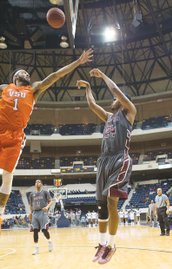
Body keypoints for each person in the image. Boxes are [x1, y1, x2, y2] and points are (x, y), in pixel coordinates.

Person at [0, 48, 93, 219]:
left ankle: (0, 211)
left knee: (7, 174)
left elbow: (56, 75)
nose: (26, 73)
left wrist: (78, 62)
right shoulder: (5, 88)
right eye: (23, 72)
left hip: (15, 135)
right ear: (15, 77)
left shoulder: (34, 89)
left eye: (27, 73)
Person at [76, 68, 136, 264]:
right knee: (102, 205)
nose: (116, 98)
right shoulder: (109, 117)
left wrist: (102, 75)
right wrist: (88, 87)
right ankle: (102, 244)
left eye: (119, 96)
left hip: (120, 159)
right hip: (104, 160)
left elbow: (116, 90)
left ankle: (111, 244)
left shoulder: (129, 112)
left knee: (111, 201)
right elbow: (92, 105)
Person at [29, 179, 53, 255]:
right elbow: (31, 205)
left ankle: (49, 242)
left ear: (41, 184)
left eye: (39, 182)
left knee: (44, 230)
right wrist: (30, 213)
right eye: (36, 182)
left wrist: (47, 207)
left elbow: (51, 201)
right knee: (35, 231)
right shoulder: (31, 194)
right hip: (35, 213)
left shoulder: (45, 192)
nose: (37, 183)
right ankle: (36, 248)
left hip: (43, 212)